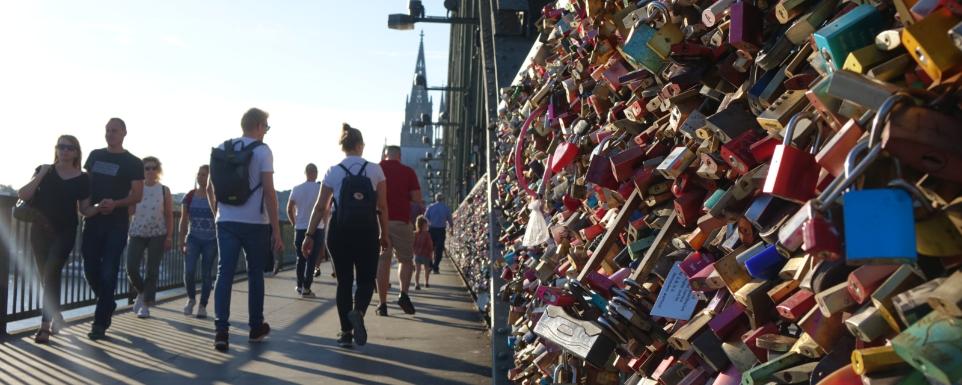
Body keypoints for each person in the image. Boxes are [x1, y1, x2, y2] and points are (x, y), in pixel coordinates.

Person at [302, 123, 390, 348]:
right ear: (360, 145)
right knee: (366, 279)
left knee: (344, 282)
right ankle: (358, 311)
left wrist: (309, 234)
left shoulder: (333, 171)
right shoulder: (375, 170)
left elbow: (320, 207)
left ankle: (345, 333)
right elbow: (382, 206)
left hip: (339, 231)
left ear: (343, 146)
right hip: (367, 231)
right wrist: (384, 234)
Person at [208, 108, 283, 352]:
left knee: (224, 273)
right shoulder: (263, 151)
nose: (266, 132)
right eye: (266, 127)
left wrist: (218, 212)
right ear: (259, 126)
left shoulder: (223, 147)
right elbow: (269, 193)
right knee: (254, 274)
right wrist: (276, 231)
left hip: (226, 221)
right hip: (255, 223)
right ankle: (255, 327)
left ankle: (221, 330)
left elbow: (210, 187)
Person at [17, 135, 95, 343]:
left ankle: (44, 326)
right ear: (56, 149)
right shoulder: (44, 170)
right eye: (61, 146)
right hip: (39, 231)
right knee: (47, 277)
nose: (64, 151)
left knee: (51, 273)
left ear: (76, 152)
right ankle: (56, 315)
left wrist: (101, 208)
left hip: (65, 232)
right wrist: (42, 173)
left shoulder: (83, 178)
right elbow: (23, 194)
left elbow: (85, 209)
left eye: (69, 147)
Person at [82, 118, 144, 340]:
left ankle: (99, 323)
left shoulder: (133, 162)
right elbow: (86, 185)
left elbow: (137, 195)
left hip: (116, 223)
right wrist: (87, 207)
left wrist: (115, 204)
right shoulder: (95, 155)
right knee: (89, 267)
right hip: (93, 219)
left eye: (114, 130)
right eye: (107, 130)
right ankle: (107, 302)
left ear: (124, 133)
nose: (110, 134)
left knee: (109, 269)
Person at [376, 145, 423, 316]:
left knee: (383, 261)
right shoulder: (408, 171)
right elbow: (417, 198)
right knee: (405, 260)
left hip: (379, 221)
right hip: (401, 221)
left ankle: (382, 304)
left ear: (385, 155)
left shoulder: (376, 169)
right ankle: (403, 294)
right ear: (400, 156)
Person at [126, 156, 173, 319]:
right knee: (131, 267)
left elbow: (169, 215)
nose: (150, 171)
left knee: (152, 271)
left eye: (154, 168)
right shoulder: (135, 189)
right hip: (137, 232)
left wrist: (169, 237)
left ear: (158, 170)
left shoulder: (164, 190)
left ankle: (145, 306)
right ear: (142, 170)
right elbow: (129, 211)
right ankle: (142, 292)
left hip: (157, 234)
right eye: (147, 168)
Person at [178, 164, 216, 318]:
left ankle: (202, 305)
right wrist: (181, 240)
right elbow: (183, 219)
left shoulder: (215, 197)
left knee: (206, 274)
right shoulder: (189, 196)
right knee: (189, 271)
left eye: (204, 175)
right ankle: (191, 299)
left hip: (211, 240)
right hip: (193, 238)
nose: (201, 177)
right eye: (199, 174)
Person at [287, 163, 325, 298]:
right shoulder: (320, 189)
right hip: (317, 228)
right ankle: (307, 288)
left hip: (300, 228)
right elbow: (324, 209)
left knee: (300, 258)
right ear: (316, 173)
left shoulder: (296, 188)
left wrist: (294, 223)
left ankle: (299, 285)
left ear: (305, 173)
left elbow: (289, 208)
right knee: (312, 259)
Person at [425, 193, 453, 274]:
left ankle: (430, 265)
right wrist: (451, 228)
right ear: (443, 199)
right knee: (439, 249)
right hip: (441, 230)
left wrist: (429, 224)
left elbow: (425, 217)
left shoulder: (430, 207)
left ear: (435, 199)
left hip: (431, 230)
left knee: (429, 248)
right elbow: (450, 220)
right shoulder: (446, 208)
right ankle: (436, 266)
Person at [412, 215, 434, 290]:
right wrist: (431, 254)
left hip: (417, 255)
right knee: (426, 270)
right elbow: (430, 245)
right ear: (424, 225)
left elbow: (412, 244)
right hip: (426, 255)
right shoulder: (427, 234)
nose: (427, 226)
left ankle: (416, 283)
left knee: (417, 270)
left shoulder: (415, 234)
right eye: (426, 225)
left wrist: (413, 251)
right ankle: (426, 282)